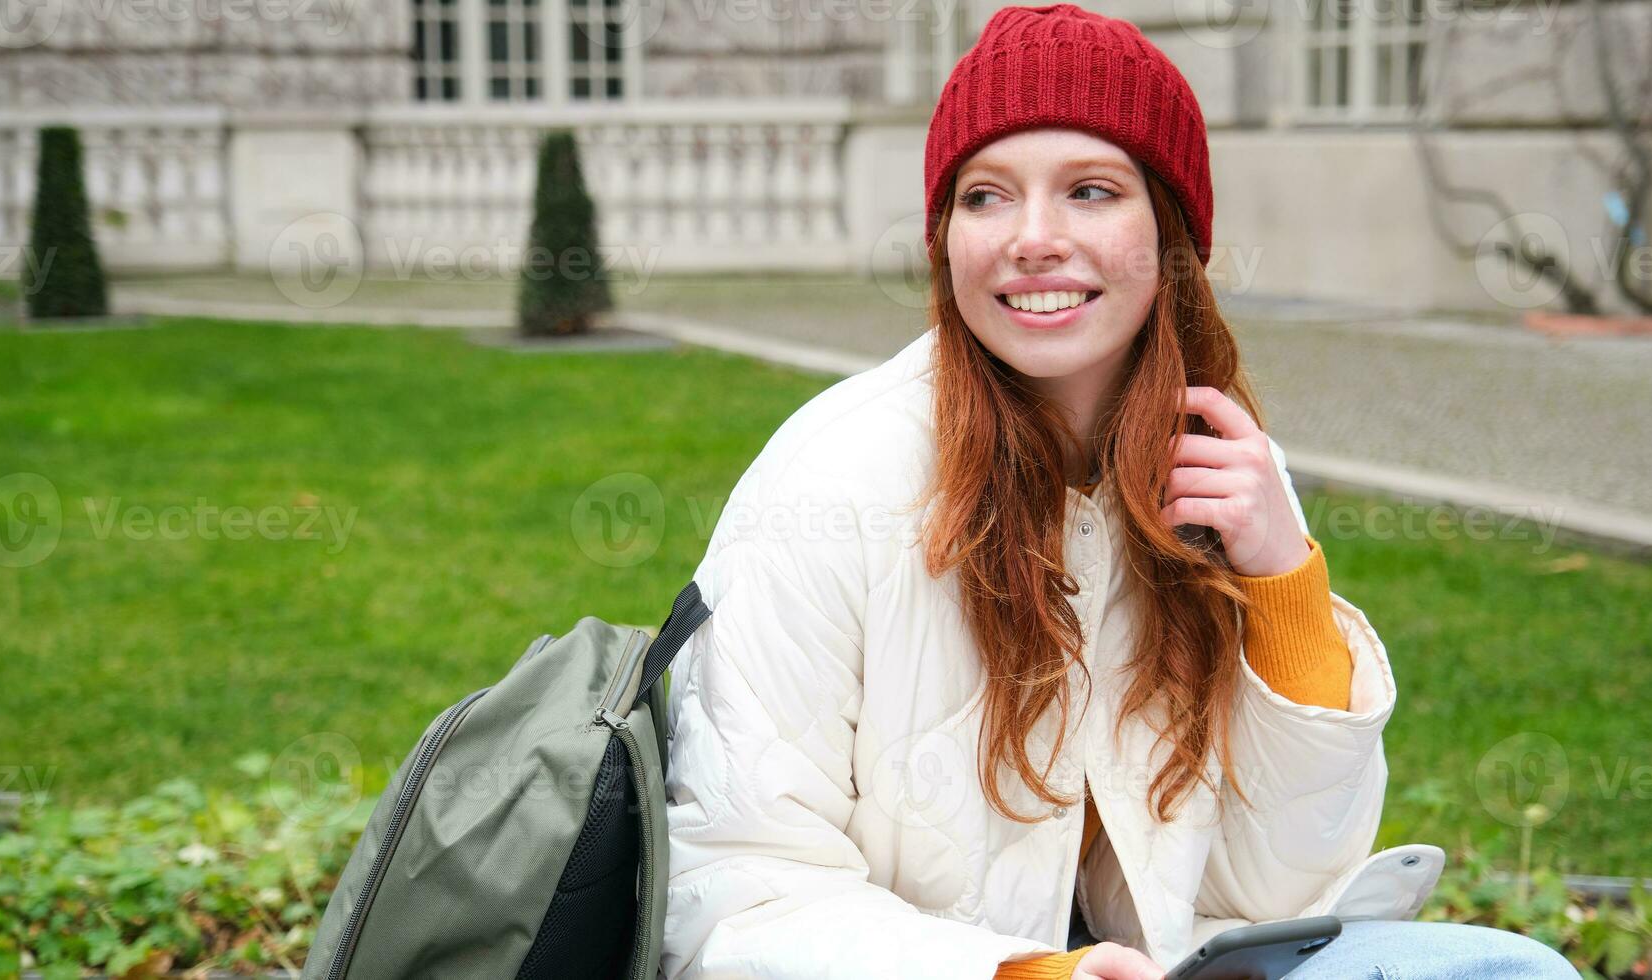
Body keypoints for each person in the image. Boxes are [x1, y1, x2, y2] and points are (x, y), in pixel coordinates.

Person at [656, 5, 1579, 978]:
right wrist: (1026, 972)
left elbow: (1274, 892)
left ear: (1169, 234)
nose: (1032, 237)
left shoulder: (1219, 471)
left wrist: (1281, 587)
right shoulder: (829, 482)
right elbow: (731, 899)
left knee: (1506, 969)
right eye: (985, 196)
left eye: (1089, 190)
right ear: (944, 237)